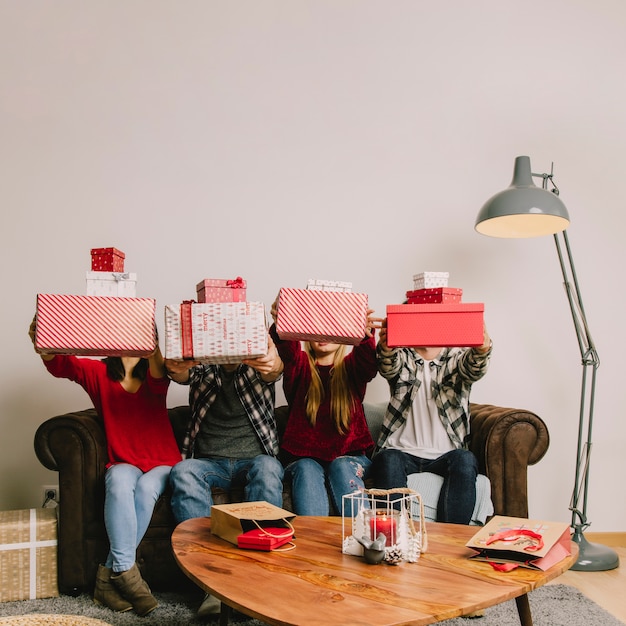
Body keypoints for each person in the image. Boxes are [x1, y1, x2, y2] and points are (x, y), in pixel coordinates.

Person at [28, 318, 181, 616]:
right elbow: (64, 365)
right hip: (123, 459)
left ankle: (109, 576)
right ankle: (124, 570)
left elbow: (158, 362)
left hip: (163, 461)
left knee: (148, 487)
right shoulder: (98, 373)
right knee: (118, 481)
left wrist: (149, 335)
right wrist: (43, 341)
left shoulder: (154, 372)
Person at [164, 335, 285, 618]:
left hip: (253, 460)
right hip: (209, 462)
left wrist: (273, 359)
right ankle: (211, 582)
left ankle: (256, 577)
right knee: (182, 470)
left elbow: (275, 369)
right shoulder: (204, 363)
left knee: (269, 468)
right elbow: (181, 373)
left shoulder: (258, 362)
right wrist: (174, 365)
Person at [369, 318, 492, 524]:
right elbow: (388, 366)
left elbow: (472, 368)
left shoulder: (456, 355)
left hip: (445, 455)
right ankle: (393, 537)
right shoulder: (402, 354)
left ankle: (452, 540)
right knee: (387, 459)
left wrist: (482, 350)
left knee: (466, 459)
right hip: (400, 451)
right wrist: (386, 347)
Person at [269, 297, 382, 516]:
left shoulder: (351, 368)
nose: (322, 335)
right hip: (303, 458)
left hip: (351, 456)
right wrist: (282, 320)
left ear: (344, 335)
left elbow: (367, 363)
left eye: (330, 327)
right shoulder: (299, 364)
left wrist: (364, 335)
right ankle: (312, 543)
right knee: (306, 468)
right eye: (317, 327)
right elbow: (287, 350)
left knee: (340, 466)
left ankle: (363, 536)